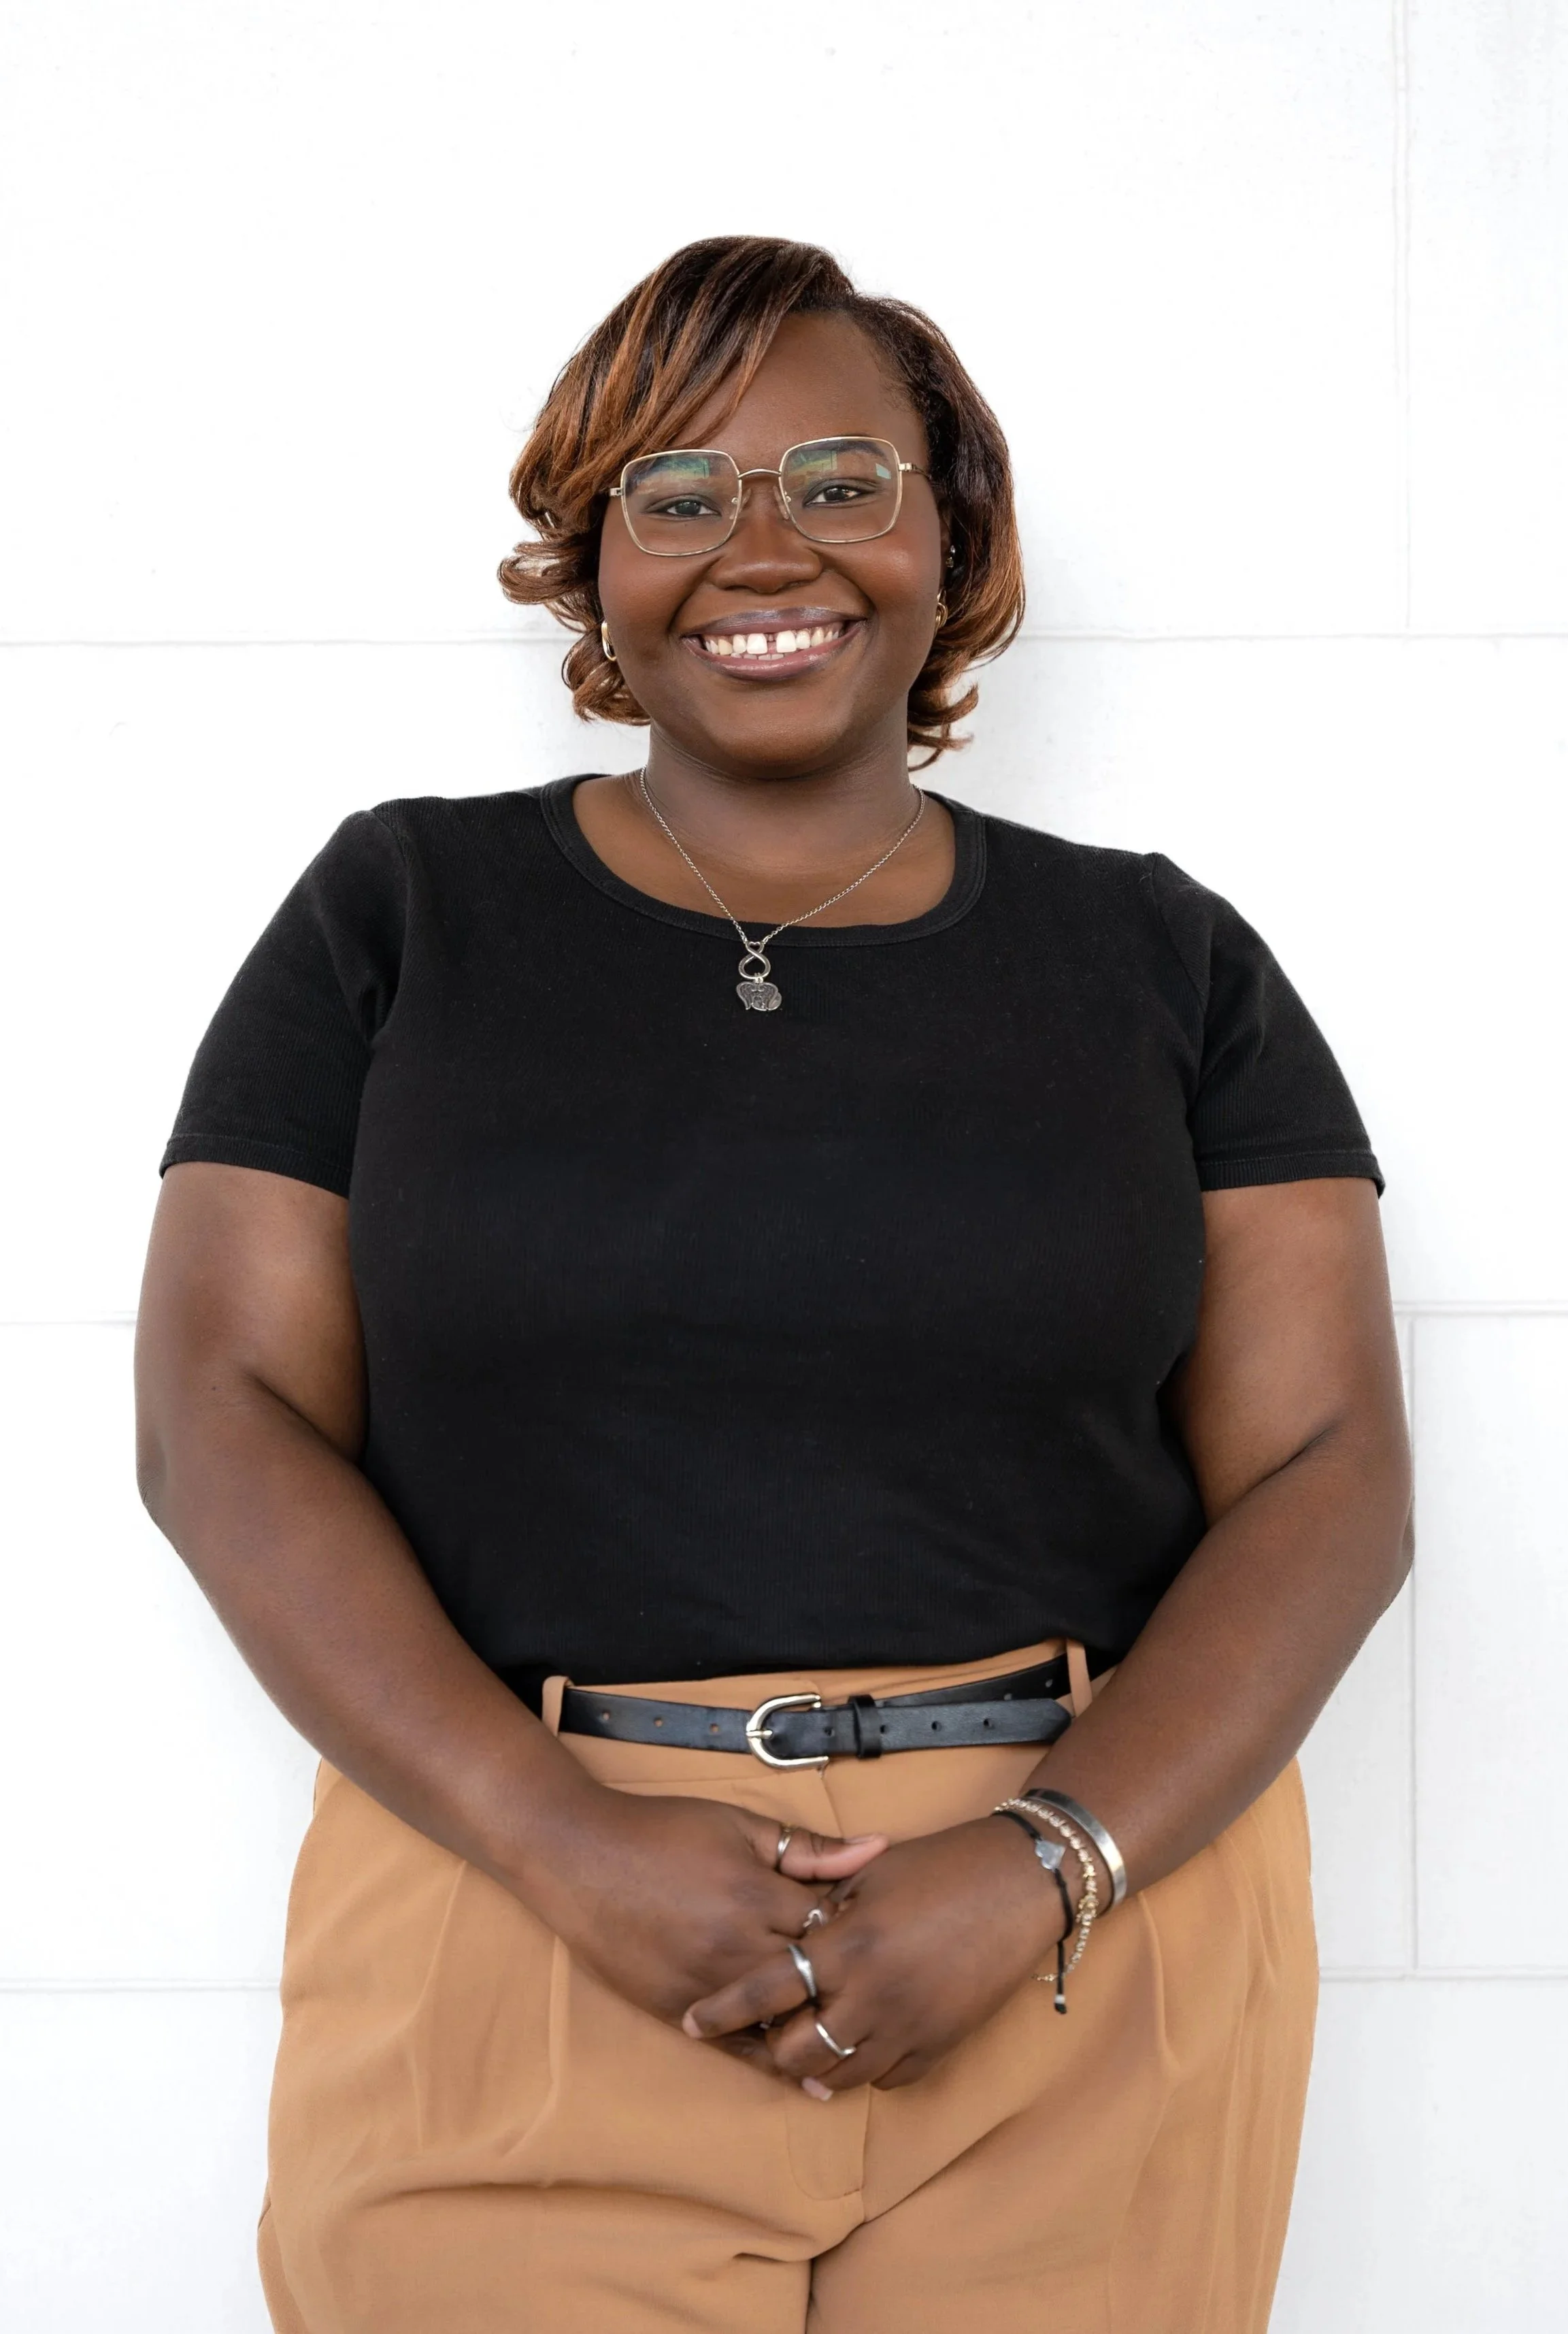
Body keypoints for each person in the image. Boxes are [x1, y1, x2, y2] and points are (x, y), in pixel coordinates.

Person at [135, 235, 1412, 2334]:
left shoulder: (1165, 962)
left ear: (949, 534)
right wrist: (556, 1838)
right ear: (593, 560)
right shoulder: (398, 913)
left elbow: (1335, 1468)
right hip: (515, 1918)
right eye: (678, 488)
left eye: (840, 476)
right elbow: (219, 1420)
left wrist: (1045, 1862)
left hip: (1078, 1950)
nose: (762, 546)